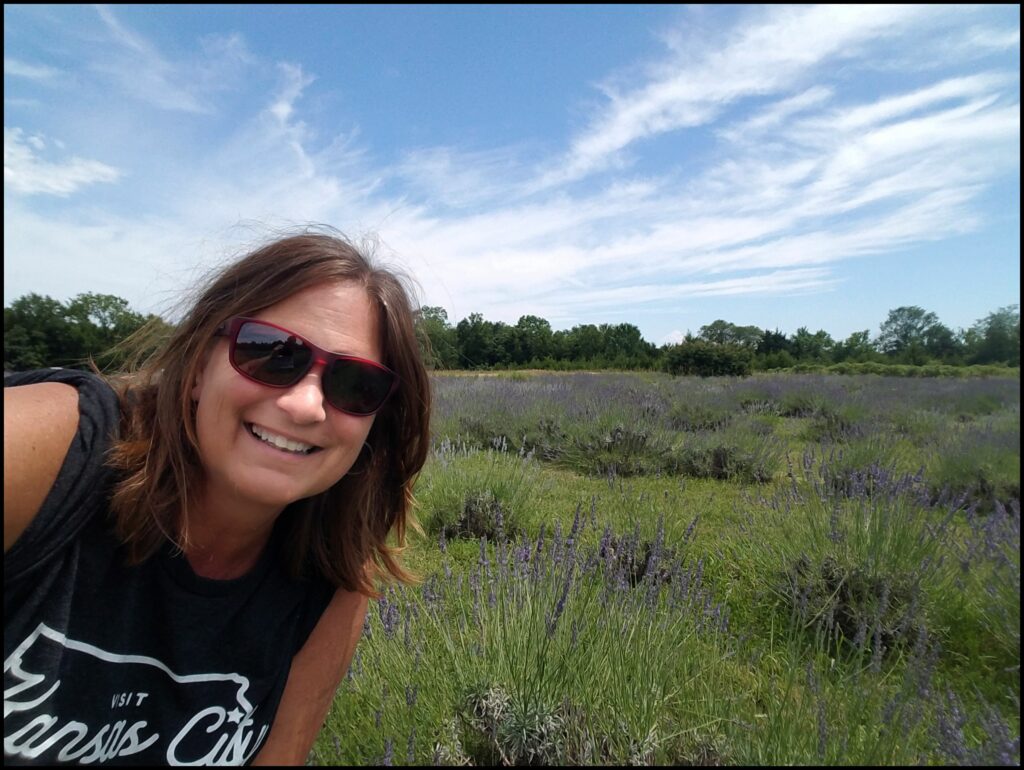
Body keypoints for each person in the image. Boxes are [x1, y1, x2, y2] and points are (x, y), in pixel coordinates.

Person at [3, 230, 431, 765]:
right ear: (201, 365)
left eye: (355, 385)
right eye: (272, 353)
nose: (305, 406)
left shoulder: (331, 580)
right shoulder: (58, 451)